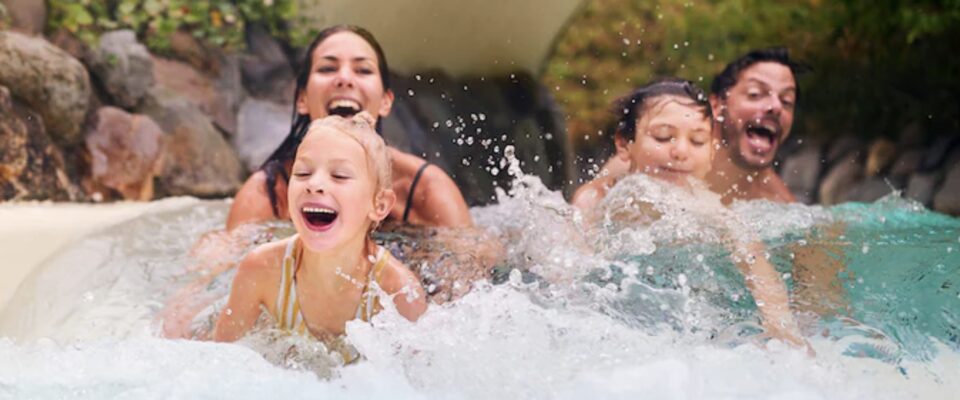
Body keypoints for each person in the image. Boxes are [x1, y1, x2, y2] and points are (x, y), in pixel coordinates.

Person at [572, 78, 806, 348]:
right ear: (625, 144)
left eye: (697, 141)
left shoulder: (711, 211)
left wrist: (783, 329)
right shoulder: (598, 198)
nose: (680, 151)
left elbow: (757, 265)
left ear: (711, 152)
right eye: (663, 137)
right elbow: (574, 268)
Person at [212, 114, 427, 361]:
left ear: (379, 204)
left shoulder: (397, 292)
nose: (314, 184)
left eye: (340, 176)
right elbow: (219, 362)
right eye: (303, 173)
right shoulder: (262, 269)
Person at [227, 25, 471, 231]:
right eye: (327, 68)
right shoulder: (266, 195)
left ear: (385, 102)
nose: (344, 79)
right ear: (302, 98)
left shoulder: (426, 190)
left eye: (363, 70)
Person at [589, 47, 808, 205]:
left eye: (787, 101)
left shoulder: (777, 201)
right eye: (755, 94)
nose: (776, 107)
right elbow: (590, 202)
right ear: (716, 105)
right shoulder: (655, 157)